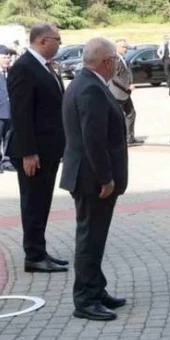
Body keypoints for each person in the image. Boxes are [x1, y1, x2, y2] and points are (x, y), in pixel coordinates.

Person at [59, 38, 129, 321]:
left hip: (88, 176)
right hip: (92, 179)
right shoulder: (90, 89)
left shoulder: (84, 82)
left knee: (95, 237)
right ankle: (85, 300)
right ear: (107, 61)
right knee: (90, 238)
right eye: (114, 60)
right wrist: (106, 178)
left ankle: (96, 288)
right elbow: (93, 140)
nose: (116, 64)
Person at [7, 22, 68, 273]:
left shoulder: (44, 67)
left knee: (41, 202)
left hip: (48, 149)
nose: (59, 44)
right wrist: (28, 152)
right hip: (34, 153)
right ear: (43, 40)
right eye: (57, 40)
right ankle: (33, 255)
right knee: (33, 203)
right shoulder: (24, 68)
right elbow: (21, 114)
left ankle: (40, 251)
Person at [112, 39, 143, 146]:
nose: (126, 49)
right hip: (118, 94)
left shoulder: (122, 58)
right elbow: (114, 77)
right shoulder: (115, 59)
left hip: (125, 93)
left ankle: (129, 137)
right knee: (119, 117)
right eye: (124, 47)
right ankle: (121, 139)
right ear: (117, 47)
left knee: (131, 113)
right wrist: (127, 86)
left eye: (126, 47)